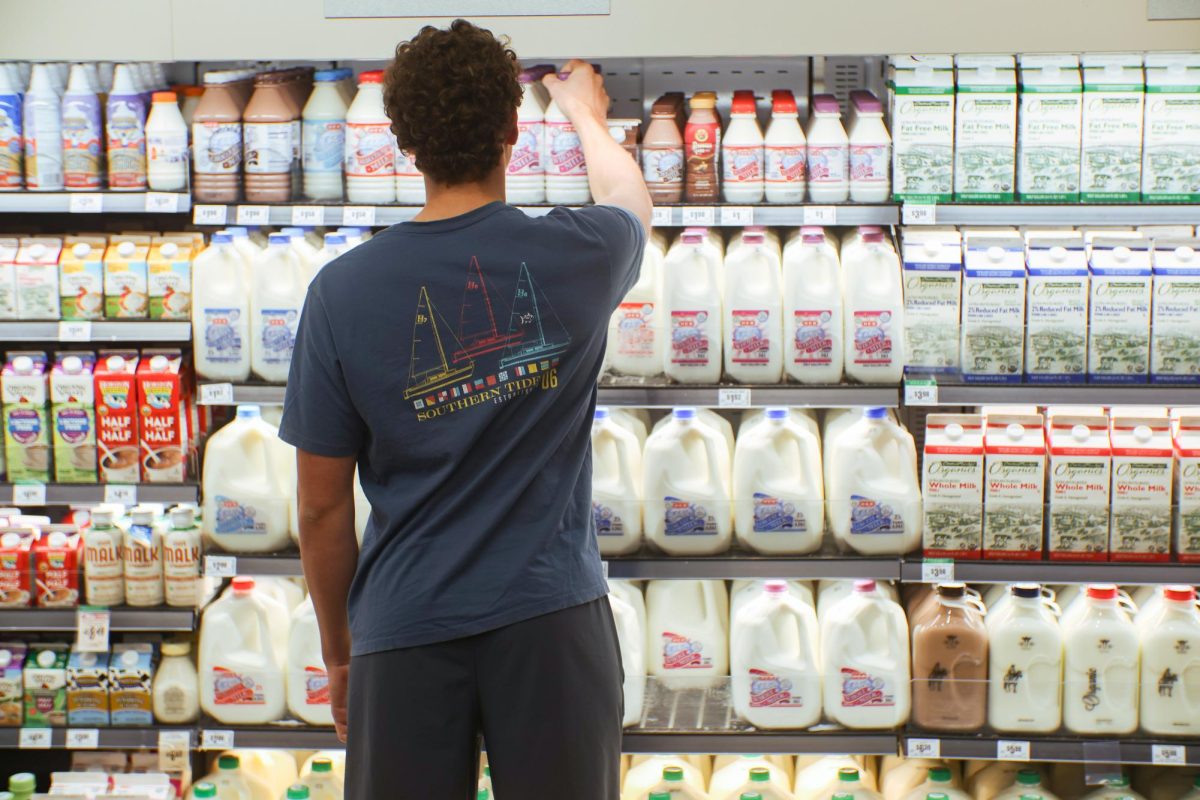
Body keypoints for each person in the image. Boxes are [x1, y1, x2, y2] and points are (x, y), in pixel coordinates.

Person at [278, 19, 652, 800]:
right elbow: (629, 196)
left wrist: (343, 654)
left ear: (404, 142)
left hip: (404, 624)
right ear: (514, 130)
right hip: (551, 620)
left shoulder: (340, 295)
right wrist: (583, 109)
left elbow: (320, 511)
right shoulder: (576, 255)